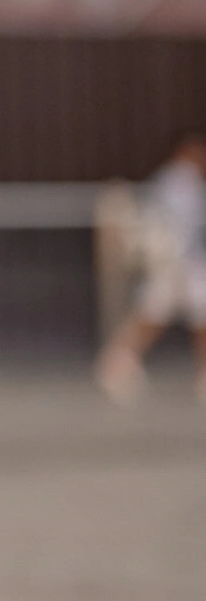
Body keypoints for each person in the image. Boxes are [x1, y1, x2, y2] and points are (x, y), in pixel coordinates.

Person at [96, 130, 206, 404]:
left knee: (188, 318)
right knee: (150, 317)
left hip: (187, 265)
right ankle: (116, 364)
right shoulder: (176, 182)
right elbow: (170, 227)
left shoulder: (182, 184)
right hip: (174, 265)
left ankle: (117, 363)